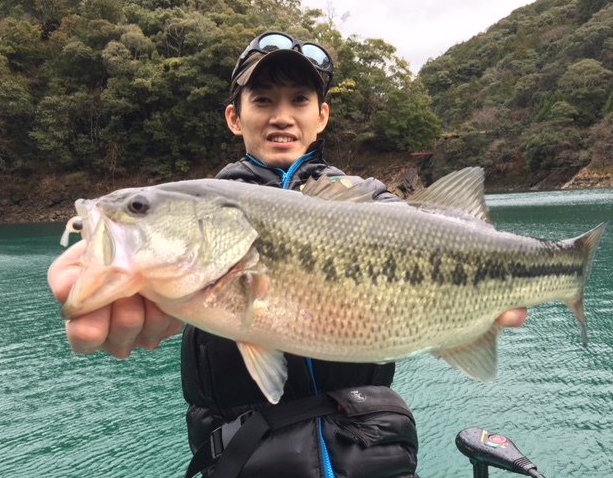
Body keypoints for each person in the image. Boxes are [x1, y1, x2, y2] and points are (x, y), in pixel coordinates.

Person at [48, 31, 528, 478]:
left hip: (371, 454)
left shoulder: (370, 198)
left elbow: (417, 226)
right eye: (262, 100)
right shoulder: (205, 206)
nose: (282, 116)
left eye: (300, 100)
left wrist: (475, 303)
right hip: (249, 460)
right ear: (235, 117)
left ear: (322, 117)